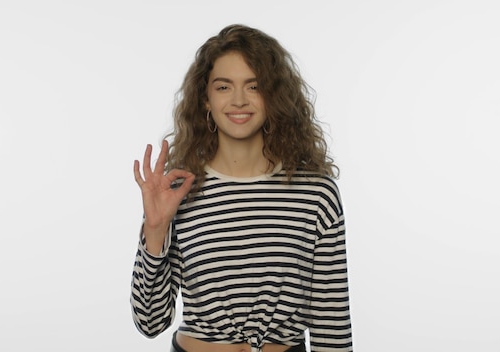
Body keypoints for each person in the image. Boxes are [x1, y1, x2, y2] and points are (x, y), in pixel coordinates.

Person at [131, 24, 353, 352]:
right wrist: (155, 228)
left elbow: (331, 322)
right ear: (205, 99)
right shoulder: (179, 191)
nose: (238, 100)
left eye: (254, 86)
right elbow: (150, 322)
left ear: (273, 96)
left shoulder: (316, 194)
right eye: (223, 87)